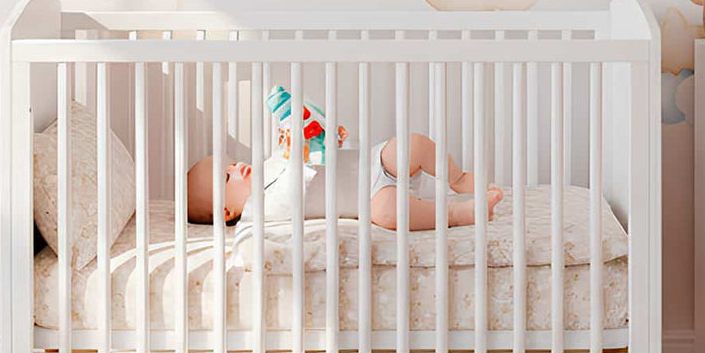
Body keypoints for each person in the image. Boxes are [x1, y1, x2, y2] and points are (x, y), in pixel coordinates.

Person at [187, 132, 503, 229]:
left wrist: (322, 139)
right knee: (390, 214)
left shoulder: (270, 164)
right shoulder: (260, 210)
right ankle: (459, 213)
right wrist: (300, 157)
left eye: (232, 163)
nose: (239, 167)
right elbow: (294, 194)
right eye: (227, 176)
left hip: (375, 161)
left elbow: (312, 155)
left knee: (412, 144)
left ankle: (457, 177)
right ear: (226, 211)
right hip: (371, 198)